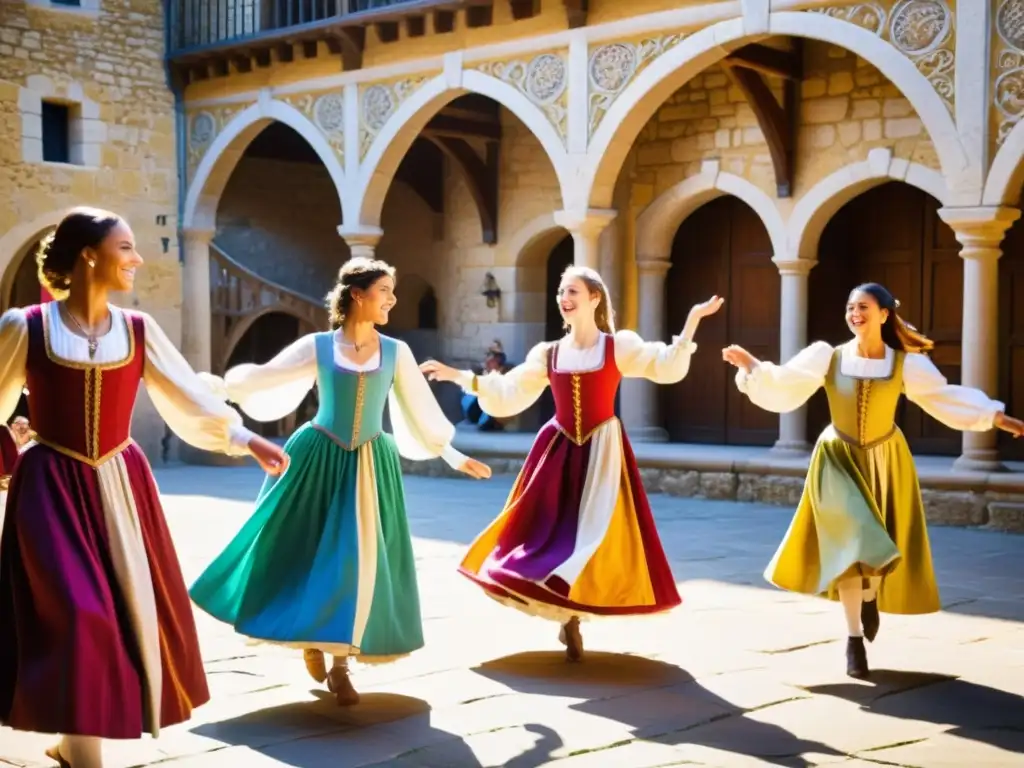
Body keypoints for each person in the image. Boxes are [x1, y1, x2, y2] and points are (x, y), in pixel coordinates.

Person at [0, 208, 288, 768]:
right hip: (49, 487)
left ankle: (72, 742)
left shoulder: (139, 331)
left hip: (120, 486)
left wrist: (243, 437)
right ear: (89, 254)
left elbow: (188, 397)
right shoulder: (25, 326)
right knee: (76, 613)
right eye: (126, 247)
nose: (137, 259)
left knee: (115, 614)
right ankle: (85, 754)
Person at [189, 257, 492, 706]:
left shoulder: (396, 352)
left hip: (371, 464)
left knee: (354, 560)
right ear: (357, 294)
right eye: (385, 290)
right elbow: (263, 379)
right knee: (308, 554)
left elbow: (419, 411)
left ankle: (340, 667)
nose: (392, 299)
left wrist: (452, 454)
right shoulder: (318, 346)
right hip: (316, 458)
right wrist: (218, 391)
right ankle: (314, 639)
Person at [722, 282, 1024, 679]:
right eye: (850, 307)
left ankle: (869, 599)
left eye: (863, 307)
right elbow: (786, 384)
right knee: (853, 544)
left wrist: (998, 417)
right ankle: (853, 641)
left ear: (884, 314)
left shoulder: (906, 364)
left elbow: (943, 397)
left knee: (872, 551)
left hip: (885, 458)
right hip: (837, 457)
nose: (854, 314)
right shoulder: (825, 357)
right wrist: (752, 368)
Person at [422, 266, 723, 661]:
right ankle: (568, 619)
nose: (564, 297)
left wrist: (692, 322)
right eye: (561, 291)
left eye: (573, 291)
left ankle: (573, 615)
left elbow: (665, 365)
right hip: (557, 450)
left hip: (602, 449)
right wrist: (462, 377)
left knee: (591, 534)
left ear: (595, 298)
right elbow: (510, 391)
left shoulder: (619, 347)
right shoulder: (547, 353)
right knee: (550, 532)